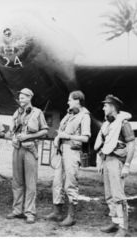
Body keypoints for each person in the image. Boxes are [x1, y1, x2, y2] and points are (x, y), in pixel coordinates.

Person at [45, 90, 91, 227]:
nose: (68, 102)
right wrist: (58, 138)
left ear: (77, 100)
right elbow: (62, 131)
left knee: (70, 183)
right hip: (61, 151)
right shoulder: (69, 115)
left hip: (72, 151)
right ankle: (57, 212)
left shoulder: (84, 116)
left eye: (70, 99)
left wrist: (68, 136)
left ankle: (71, 216)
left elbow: (86, 137)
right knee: (57, 181)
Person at [94, 94, 135, 237]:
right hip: (107, 160)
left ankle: (123, 227)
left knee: (118, 195)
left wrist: (127, 165)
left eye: (105, 105)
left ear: (112, 107)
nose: (103, 107)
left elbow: (131, 145)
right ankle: (115, 222)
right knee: (109, 195)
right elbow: (102, 144)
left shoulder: (123, 124)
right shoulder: (108, 124)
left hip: (117, 161)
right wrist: (100, 160)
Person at [6, 88, 49, 224]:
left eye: (23, 97)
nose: (21, 99)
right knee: (17, 181)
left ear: (30, 97)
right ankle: (17, 210)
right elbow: (11, 131)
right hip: (17, 149)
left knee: (30, 183)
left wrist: (28, 136)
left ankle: (30, 212)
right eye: (20, 97)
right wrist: (12, 137)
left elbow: (44, 131)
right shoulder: (16, 113)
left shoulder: (37, 113)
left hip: (30, 149)